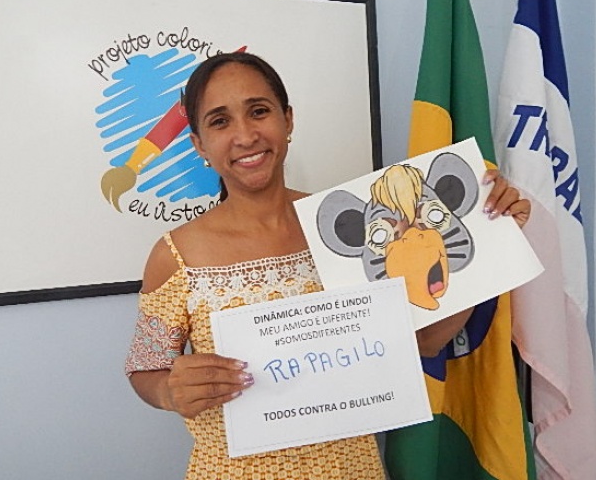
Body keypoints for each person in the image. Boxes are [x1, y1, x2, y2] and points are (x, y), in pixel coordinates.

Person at [124, 52, 531, 479]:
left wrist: (489, 237)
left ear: (287, 120)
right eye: (220, 121)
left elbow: (426, 341)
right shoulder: (177, 254)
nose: (245, 135)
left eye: (258, 111)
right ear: (199, 144)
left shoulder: (352, 233)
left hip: (351, 468)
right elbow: (144, 369)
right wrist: (169, 391)